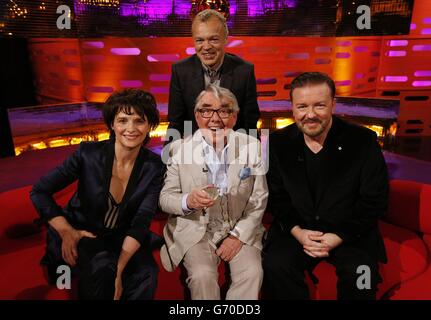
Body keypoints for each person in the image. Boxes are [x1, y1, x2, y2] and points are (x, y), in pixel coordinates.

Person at [263, 72, 389, 300]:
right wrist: (298, 232)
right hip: (298, 231)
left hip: (351, 234)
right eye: (302, 106)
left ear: (333, 104)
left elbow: (374, 200)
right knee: (274, 264)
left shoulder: (363, 141)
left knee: (363, 274)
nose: (310, 115)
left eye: (319, 105)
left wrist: (338, 236)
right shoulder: (277, 143)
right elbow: (276, 196)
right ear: (292, 107)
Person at [30, 89, 164, 300]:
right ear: (112, 124)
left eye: (139, 121)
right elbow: (39, 191)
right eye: (123, 120)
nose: (131, 128)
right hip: (82, 230)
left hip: (124, 235)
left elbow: (142, 220)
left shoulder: (155, 167)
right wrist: (66, 231)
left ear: (149, 127)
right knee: (102, 267)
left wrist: (120, 270)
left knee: (147, 274)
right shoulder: (88, 154)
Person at [159, 84, 268, 299]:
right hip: (196, 229)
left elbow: (259, 198)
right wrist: (188, 200)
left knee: (253, 272)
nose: (215, 118)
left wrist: (237, 236)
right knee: (202, 275)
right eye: (206, 110)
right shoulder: (179, 149)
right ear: (197, 116)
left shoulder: (253, 146)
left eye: (224, 110)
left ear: (235, 117)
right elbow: (166, 198)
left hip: (239, 226)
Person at [167, 9, 260, 141]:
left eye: (213, 39)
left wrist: (252, 156)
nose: (206, 47)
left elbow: (249, 123)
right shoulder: (181, 71)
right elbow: (175, 123)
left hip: (233, 150)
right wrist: (169, 158)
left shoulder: (244, 71)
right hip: (194, 151)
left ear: (225, 39)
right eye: (199, 40)